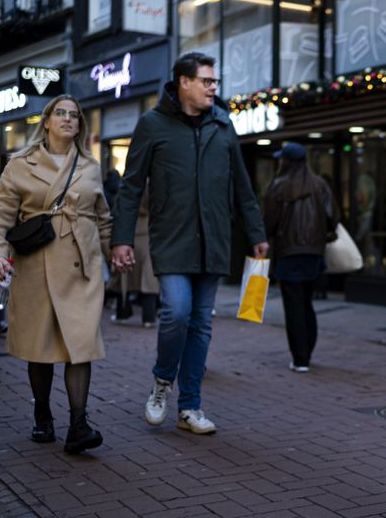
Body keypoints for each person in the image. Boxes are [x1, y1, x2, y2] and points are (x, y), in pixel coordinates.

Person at [111, 52, 267, 436]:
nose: (214, 88)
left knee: (200, 325)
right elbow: (130, 188)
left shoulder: (223, 125)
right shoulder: (152, 125)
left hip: (214, 240)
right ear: (184, 82)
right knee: (176, 313)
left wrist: (257, 233)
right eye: (207, 81)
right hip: (172, 238)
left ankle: (190, 406)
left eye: (215, 82)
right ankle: (163, 382)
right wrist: (122, 240)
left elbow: (243, 187)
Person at [0, 95, 111, 454]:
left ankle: (79, 424)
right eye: (61, 113)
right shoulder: (21, 164)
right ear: (48, 120)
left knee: (79, 345)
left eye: (75, 115)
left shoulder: (90, 165)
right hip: (35, 264)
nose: (68, 119)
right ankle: (42, 412)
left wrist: (117, 248)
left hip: (81, 267)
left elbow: (102, 216)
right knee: (40, 347)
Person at [262, 142, 338, 372]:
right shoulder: (320, 185)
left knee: (293, 306)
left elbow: (269, 223)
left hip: (288, 253)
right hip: (314, 253)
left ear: (285, 161)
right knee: (306, 303)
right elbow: (333, 218)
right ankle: (307, 352)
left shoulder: (278, 186)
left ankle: (300, 357)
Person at [110, 192, 159, 329]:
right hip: (148, 241)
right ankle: (148, 318)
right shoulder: (153, 197)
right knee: (148, 281)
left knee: (124, 277)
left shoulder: (127, 196)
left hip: (128, 240)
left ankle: (122, 314)